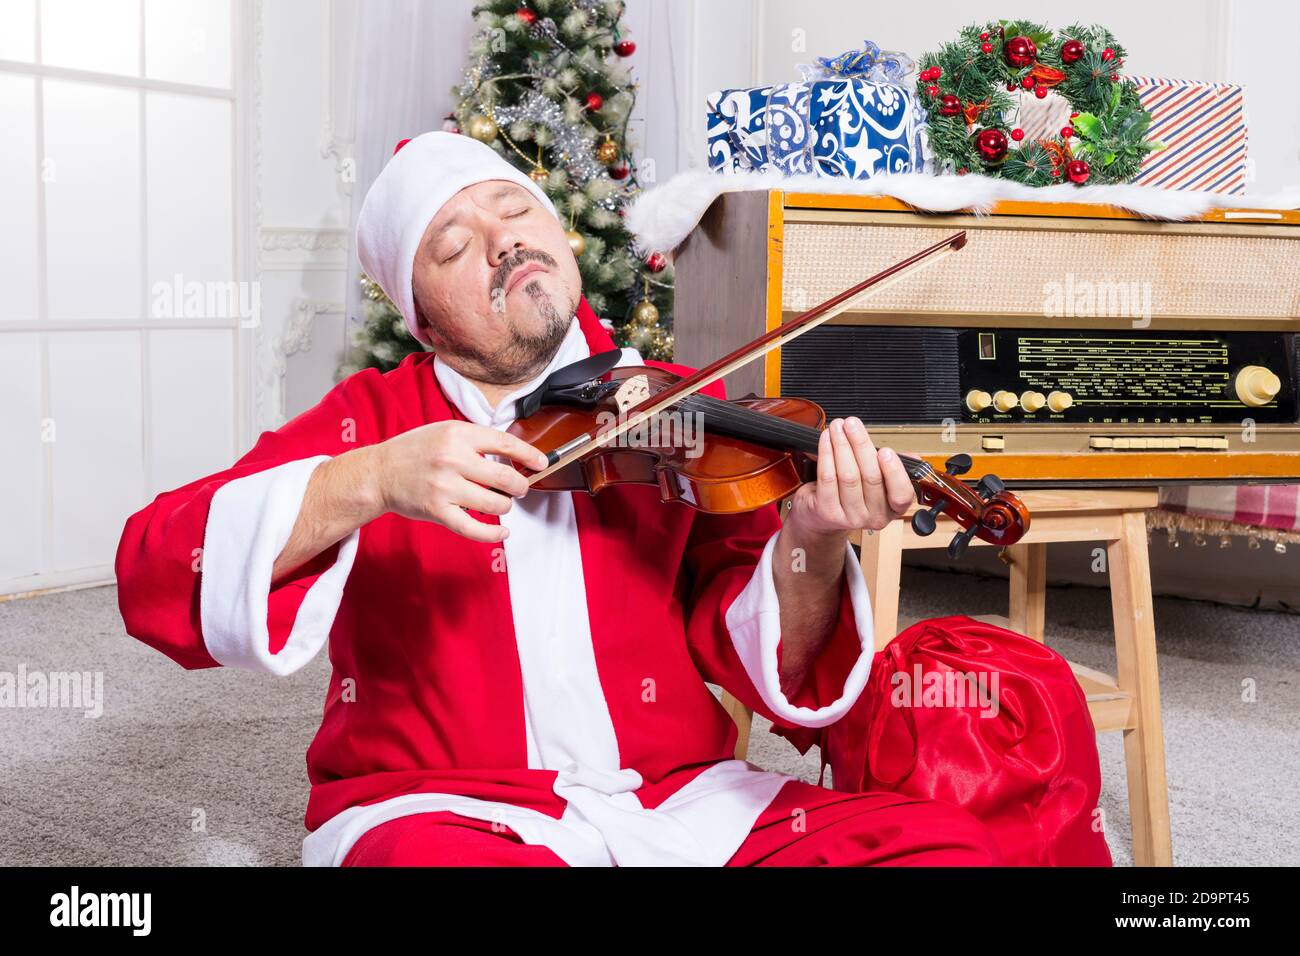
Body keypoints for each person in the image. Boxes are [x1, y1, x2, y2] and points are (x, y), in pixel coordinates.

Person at [116, 131, 1019, 867]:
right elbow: (155, 565)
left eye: (515, 212)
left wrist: (814, 541)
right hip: (446, 812)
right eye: (453, 245)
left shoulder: (676, 410)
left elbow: (768, 659)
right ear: (422, 318)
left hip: (683, 803)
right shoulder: (375, 423)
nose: (501, 239)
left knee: (946, 853)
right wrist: (371, 480)